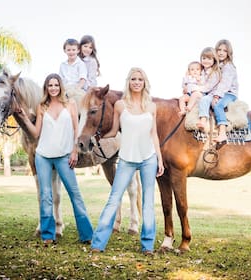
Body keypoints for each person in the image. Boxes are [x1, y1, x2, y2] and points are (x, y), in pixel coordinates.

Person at [90, 67, 164, 255]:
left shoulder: (152, 106)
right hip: (126, 159)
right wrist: (98, 136)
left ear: (144, 82)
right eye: (133, 79)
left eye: (140, 79)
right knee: (114, 199)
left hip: (148, 158)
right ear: (129, 82)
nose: (137, 82)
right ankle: (98, 244)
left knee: (148, 202)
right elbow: (114, 130)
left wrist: (160, 159)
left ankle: (147, 245)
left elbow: (153, 134)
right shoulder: (120, 105)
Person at [20, 73, 93, 246]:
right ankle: (48, 235)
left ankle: (87, 234)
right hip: (43, 156)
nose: (53, 88)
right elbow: (36, 132)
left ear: (60, 86)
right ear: (46, 88)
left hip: (64, 156)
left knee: (75, 194)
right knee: (46, 196)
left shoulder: (71, 105)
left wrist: (75, 151)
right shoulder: (41, 107)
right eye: (50, 85)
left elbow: (76, 129)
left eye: (56, 85)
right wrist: (23, 117)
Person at [212, 39, 239, 144]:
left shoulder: (229, 67)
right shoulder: (217, 66)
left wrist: (216, 96)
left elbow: (224, 84)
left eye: (224, 51)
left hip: (229, 93)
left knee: (218, 105)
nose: (221, 53)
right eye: (219, 50)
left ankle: (222, 133)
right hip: (218, 92)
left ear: (228, 53)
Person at [193, 47, 221, 131]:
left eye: (209, 58)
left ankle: (203, 120)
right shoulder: (201, 71)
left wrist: (196, 88)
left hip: (212, 94)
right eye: (204, 58)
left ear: (214, 60)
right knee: (192, 97)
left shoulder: (214, 72)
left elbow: (207, 87)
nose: (206, 61)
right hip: (203, 91)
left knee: (204, 100)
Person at [59, 38, 87, 106]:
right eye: (68, 50)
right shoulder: (62, 65)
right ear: (64, 51)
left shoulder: (81, 64)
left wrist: (75, 90)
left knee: (80, 102)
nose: (71, 52)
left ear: (78, 50)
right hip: (65, 88)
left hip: (77, 88)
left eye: (73, 50)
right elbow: (60, 80)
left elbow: (82, 80)